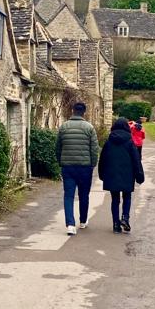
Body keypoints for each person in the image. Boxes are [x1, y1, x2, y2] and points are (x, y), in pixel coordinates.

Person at [55, 101, 99, 235]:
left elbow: (58, 147)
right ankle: (83, 221)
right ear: (84, 112)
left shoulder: (64, 127)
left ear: (73, 111)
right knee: (83, 195)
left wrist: (60, 162)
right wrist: (93, 163)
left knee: (68, 195)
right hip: (85, 167)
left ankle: (70, 225)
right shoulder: (89, 128)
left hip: (68, 167)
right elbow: (94, 149)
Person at [98, 118, 145, 234]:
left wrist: (102, 174)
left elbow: (102, 159)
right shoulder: (130, 142)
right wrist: (140, 176)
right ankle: (125, 218)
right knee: (127, 197)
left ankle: (115, 224)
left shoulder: (108, 142)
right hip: (127, 175)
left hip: (112, 175)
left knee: (115, 199)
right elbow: (136, 160)